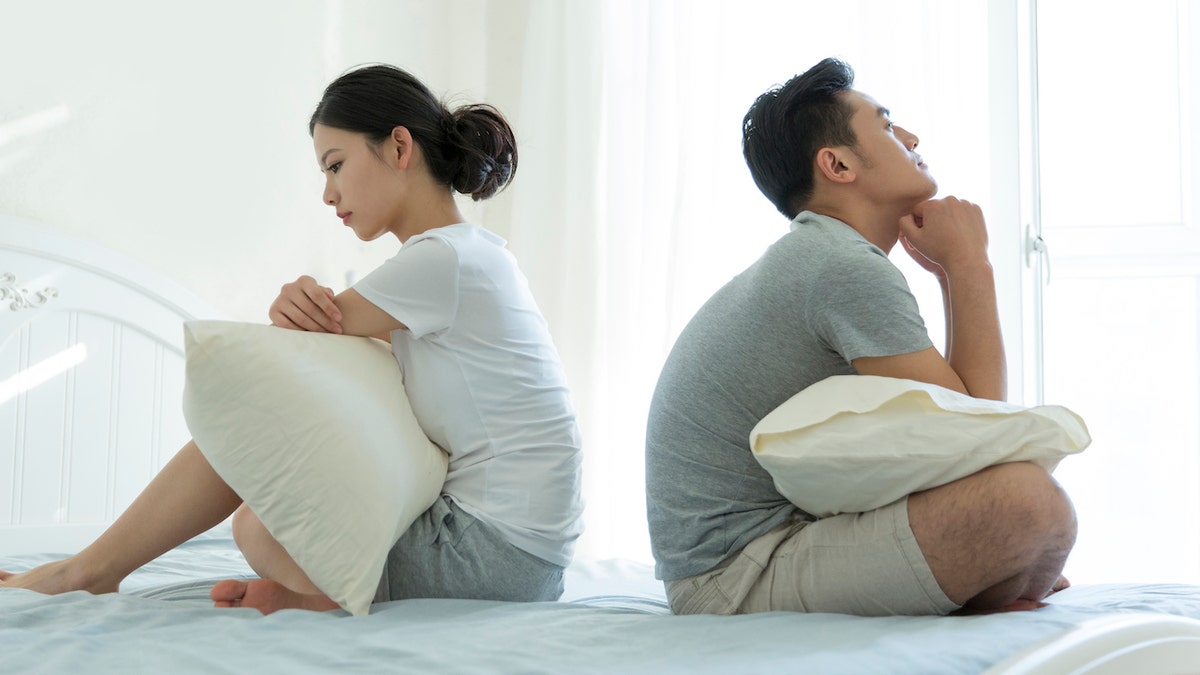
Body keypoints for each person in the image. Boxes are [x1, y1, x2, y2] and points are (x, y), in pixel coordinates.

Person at [0, 64, 583, 614]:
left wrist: (292, 302)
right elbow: (334, 357)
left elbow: (296, 356)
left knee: (256, 482)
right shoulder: (467, 259)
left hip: (487, 555)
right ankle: (300, 595)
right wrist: (299, 305)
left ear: (399, 148)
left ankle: (87, 572)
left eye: (334, 165)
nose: (328, 194)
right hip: (523, 560)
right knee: (266, 494)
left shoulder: (441, 262)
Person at [644, 57, 1076, 617]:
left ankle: (995, 586)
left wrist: (953, 271)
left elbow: (963, 432)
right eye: (889, 125)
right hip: (733, 577)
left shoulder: (827, 255)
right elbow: (981, 425)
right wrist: (970, 263)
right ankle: (995, 588)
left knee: (1027, 504)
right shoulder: (839, 266)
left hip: (772, 546)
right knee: (1029, 503)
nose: (912, 138)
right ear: (839, 164)